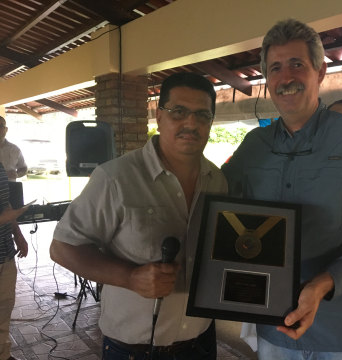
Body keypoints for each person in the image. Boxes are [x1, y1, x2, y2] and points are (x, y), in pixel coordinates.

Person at [222, 19, 342, 359]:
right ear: (267, 80)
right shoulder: (253, 146)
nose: (286, 77)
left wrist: (322, 284)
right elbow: (219, 208)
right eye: (275, 68)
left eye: (297, 65)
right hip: (275, 330)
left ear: (320, 71)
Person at [49, 72, 227, 360]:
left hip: (201, 342)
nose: (190, 123)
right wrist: (131, 277)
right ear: (159, 115)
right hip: (133, 350)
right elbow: (62, 248)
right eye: (179, 111)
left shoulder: (218, 180)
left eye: (202, 115)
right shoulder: (114, 177)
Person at [0, 162, 29, 360]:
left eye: (2, 127)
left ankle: (3, 354)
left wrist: (17, 233)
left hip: (6, 252)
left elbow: (5, 202)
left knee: (4, 308)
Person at [0, 117, 27, 181]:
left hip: (9, 188)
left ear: (6, 129)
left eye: (0, 126)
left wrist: (16, 174)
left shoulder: (15, 149)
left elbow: (23, 168)